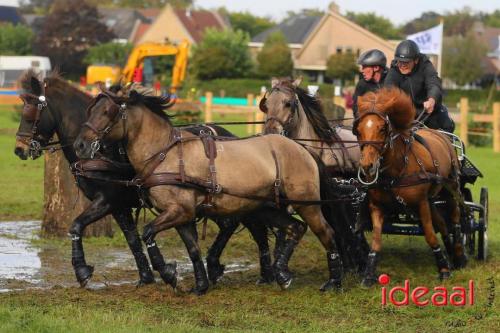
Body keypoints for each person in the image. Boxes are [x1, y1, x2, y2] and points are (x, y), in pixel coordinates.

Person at [384, 40, 454, 132]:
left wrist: (432, 100)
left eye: (406, 62)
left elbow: (433, 84)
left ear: (416, 60)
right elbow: (388, 88)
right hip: (406, 115)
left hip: (428, 112)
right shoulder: (395, 69)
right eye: (400, 61)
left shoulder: (425, 65)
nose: (402, 65)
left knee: (447, 126)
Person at [352, 49, 388, 119]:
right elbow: (356, 106)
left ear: (376, 68)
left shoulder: (391, 80)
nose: (362, 70)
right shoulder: (362, 84)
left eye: (364, 67)